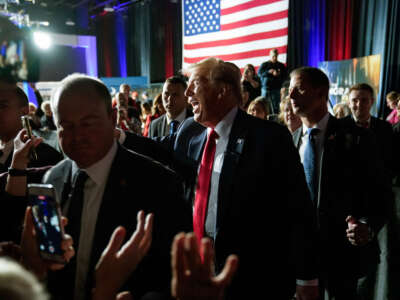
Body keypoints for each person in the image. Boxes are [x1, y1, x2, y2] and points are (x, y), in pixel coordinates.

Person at [161, 58, 319, 300]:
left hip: (253, 278)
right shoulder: (189, 132)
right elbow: (160, 155)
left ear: (222, 90)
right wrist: (116, 136)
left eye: (195, 84)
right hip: (200, 271)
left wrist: (306, 277)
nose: (188, 92)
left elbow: (298, 210)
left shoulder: (269, 138)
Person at [43, 73, 191, 300]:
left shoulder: (159, 185)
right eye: (66, 126)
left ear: (112, 119)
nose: (77, 136)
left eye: (87, 124)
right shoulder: (53, 179)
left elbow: (172, 278)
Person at [289, 67, 391, 300]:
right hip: (301, 256)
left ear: (321, 93)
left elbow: (381, 192)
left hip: (343, 255)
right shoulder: (290, 141)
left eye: (300, 88)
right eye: (291, 89)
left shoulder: (357, 138)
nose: (292, 95)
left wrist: (368, 224)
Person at [344, 83, 394, 176]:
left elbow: (391, 158)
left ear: (372, 102)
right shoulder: (339, 126)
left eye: (364, 100)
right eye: (354, 100)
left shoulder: (385, 127)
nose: (359, 104)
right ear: (349, 103)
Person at [258, 48, 288, 114]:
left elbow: (285, 76)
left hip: (276, 89)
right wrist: (269, 72)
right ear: (270, 55)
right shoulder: (265, 64)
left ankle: (275, 120)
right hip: (266, 89)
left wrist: (279, 75)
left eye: (276, 56)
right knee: (263, 105)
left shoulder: (281, 65)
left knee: (275, 107)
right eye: (273, 56)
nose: (274, 58)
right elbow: (259, 74)